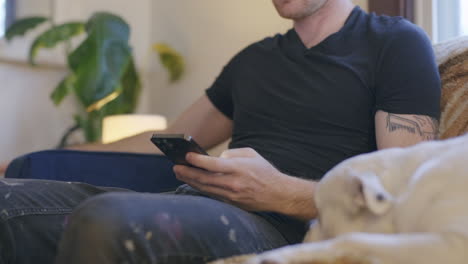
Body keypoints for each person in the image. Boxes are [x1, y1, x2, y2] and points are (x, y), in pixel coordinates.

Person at [0, 0, 441, 263]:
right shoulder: (253, 59)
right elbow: (167, 138)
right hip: (195, 204)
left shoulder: (396, 43)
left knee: (108, 219)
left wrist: (280, 192)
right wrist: (44, 156)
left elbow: (402, 192)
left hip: (281, 225)